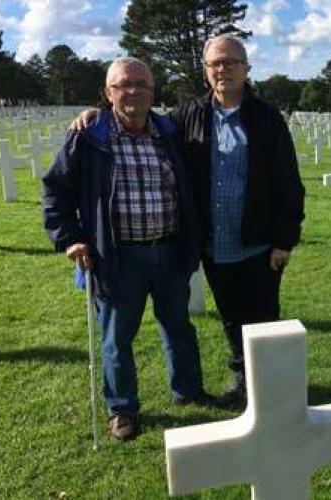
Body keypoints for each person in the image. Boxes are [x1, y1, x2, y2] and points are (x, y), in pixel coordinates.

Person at [72, 35, 305, 409]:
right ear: (206, 72)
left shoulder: (267, 118)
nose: (223, 69)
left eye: (231, 62)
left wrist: (284, 239)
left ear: (246, 69)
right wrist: (97, 113)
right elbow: (136, 114)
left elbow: (288, 182)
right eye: (216, 63)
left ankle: (272, 383)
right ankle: (245, 380)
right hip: (213, 242)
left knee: (263, 316)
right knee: (230, 317)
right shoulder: (188, 116)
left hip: (259, 242)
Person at [43, 57, 216, 441]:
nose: (134, 91)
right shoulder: (88, 136)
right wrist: (69, 238)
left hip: (169, 250)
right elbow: (55, 191)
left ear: (153, 93)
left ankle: (188, 391)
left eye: (142, 85)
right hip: (116, 256)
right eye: (124, 85)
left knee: (178, 327)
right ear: (108, 93)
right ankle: (122, 408)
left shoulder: (170, 132)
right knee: (117, 336)